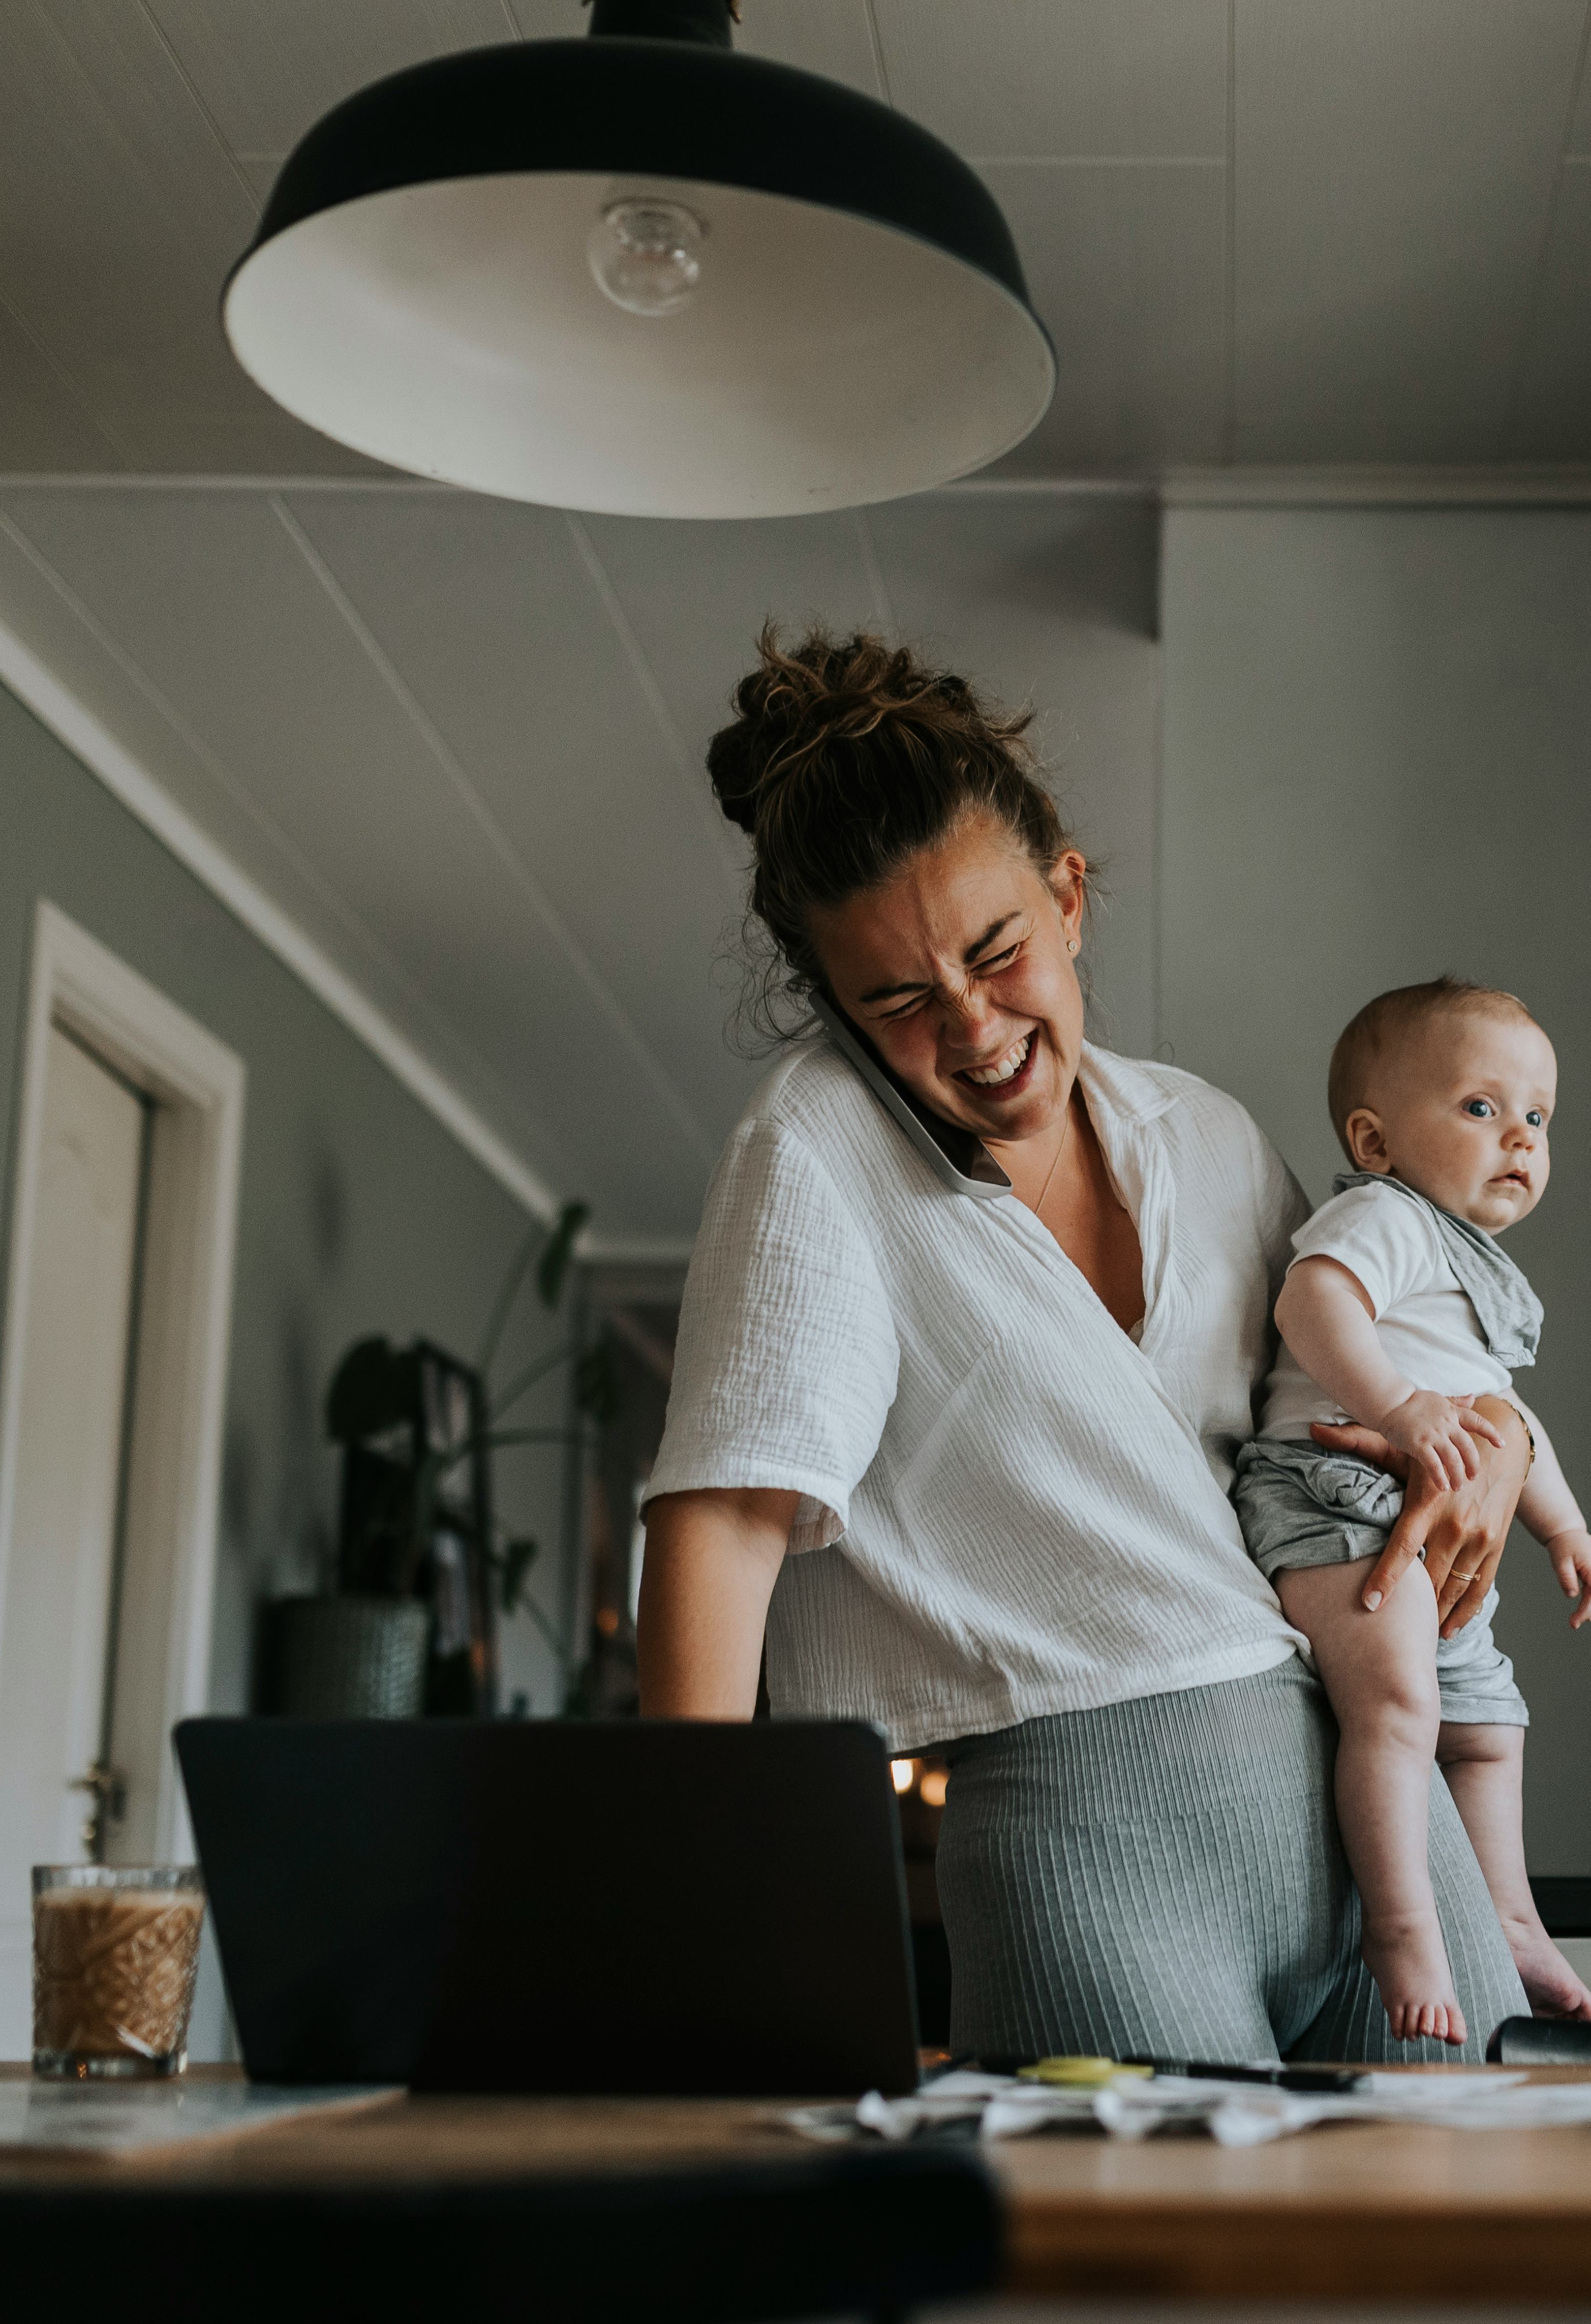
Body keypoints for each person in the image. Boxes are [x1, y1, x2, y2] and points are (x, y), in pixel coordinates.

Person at [634, 626, 1533, 2064]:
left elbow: (1356, 1385)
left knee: (1491, 2205)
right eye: (897, 1001)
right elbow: (725, 1520)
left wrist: (1493, 1452)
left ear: (1066, 896)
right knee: (1152, 2224)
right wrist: (694, 1898)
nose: (972, 1028)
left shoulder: (1209, 1135)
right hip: (1093, 1850)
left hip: (1384, 1820)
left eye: (996, 954)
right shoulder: (816, 1147)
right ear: (833, 1002)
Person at [1231, 979, 1591, 2043]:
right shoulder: (1385, 1215)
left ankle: (1511, 1919)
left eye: (1537, 1116)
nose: (1520, 1137)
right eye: (1481, 1107)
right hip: (1335, 1496)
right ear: (1375, 1139)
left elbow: (1504, 1415)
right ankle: (1400, 1930)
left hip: (1423, 1518)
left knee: (1487, 1730)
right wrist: (1398, 1406)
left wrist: (1563, 1526)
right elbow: (1313, 1299)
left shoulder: (1467, 1261)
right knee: (1399, 1709)